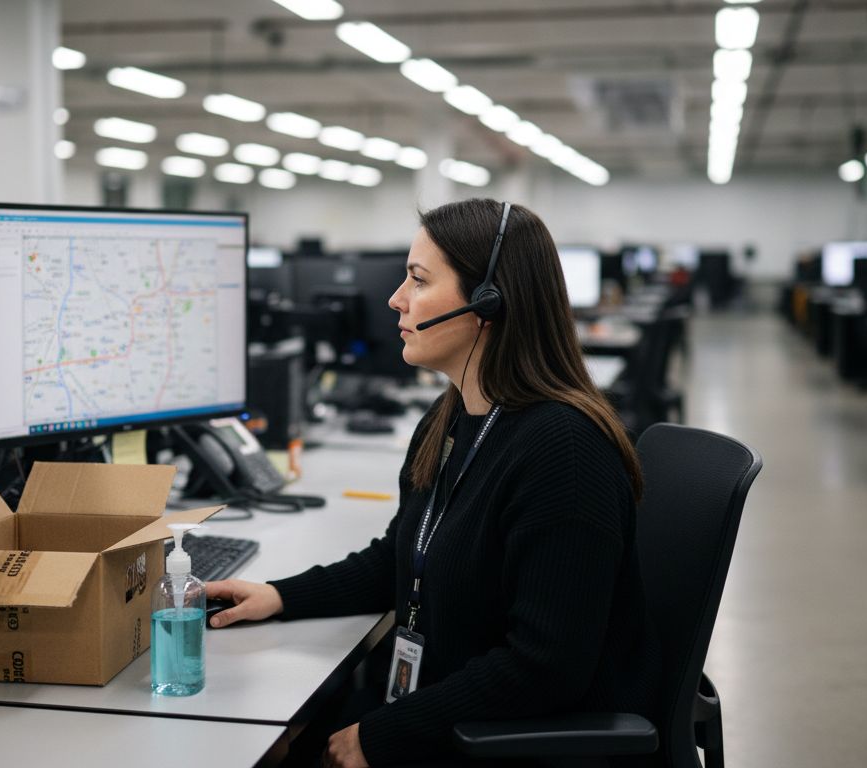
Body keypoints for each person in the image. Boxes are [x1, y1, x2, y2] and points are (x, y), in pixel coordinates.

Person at [208, 199, 661, 767]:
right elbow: (401, 555)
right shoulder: (450, 419)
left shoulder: (563, 452)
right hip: (458, 710)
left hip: (517, 742)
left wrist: (384, 734)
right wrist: (279, 595)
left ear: (487, 303)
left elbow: (545, 667)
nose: (396, 299)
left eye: (418, 280)